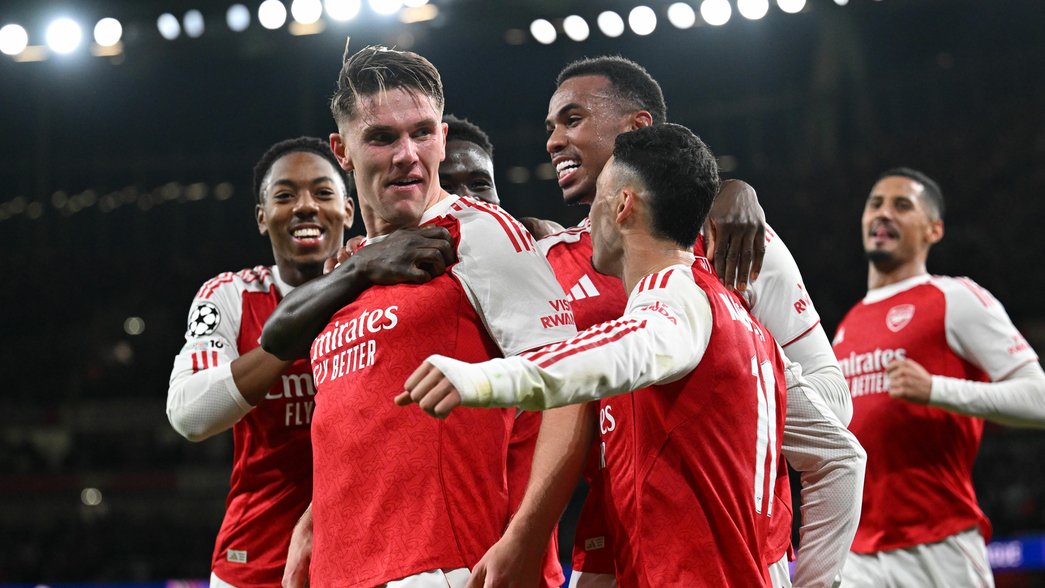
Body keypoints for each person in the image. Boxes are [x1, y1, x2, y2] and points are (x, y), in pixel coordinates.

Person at [477, 56, 864, 588]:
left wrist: (735, 399)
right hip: (608, 552)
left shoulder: (735, 238)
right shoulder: (546, 263)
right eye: (550, 127)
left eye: (573, 120)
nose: (553, 141)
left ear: (638, 128)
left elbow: (834, 407)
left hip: (736, 546)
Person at [399, 123, 789, 586]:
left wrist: (481, 379)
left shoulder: (674, 301)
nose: (586, 224)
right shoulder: (743, 321)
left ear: (623, 206)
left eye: (599, 199)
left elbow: (622, 352)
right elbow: (839, 452)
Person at [260, 46, 576, 587]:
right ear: (342, 151)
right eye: (382, 137)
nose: (407, 154)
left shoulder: (476, 232)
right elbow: (364, 423)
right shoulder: (350, 265)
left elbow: (570, 389)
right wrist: (315, 521)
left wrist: (526, 536)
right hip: (340, 571)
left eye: (422, 133)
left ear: (442, 139)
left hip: (440, 567)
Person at [834, 168, 1045, 587]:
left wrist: (936, 389)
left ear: (934, 229)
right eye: (875, 204)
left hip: (938, 546)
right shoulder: (846, 325)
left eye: (902, 205)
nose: (883, 213)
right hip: (857, 553)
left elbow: (1039, 399)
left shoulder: (955, 297)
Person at [165, 137, 355, 587]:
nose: (305, 206)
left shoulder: (380, 289)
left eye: (323, 192)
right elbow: (189, 415)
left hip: (365, 555)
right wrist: (284, 343)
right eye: (285, 195)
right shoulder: (231, 295)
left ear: (348, 210)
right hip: (256, 560)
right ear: (262, 216)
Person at [439, 112, 565, 588]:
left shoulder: (542, 259)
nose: (467, 201)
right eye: (447, 185)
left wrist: (733, 192)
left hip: (526, 563)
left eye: (480, 185)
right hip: (435, 566)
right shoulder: (386, 288)